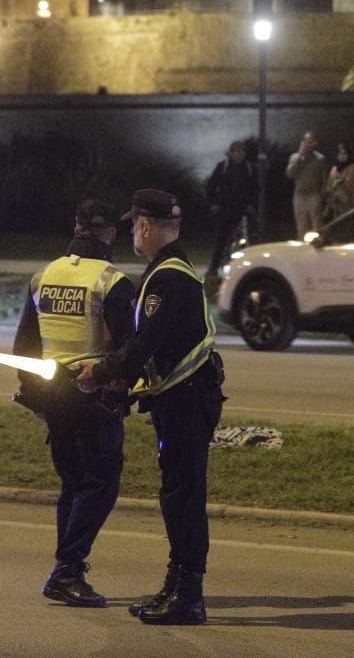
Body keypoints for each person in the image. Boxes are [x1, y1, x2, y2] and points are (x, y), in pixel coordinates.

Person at [78, 189, 225, 627]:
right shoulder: (168, 270)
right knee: (176, 495)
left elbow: (146, 343)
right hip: (181, 398)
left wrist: (103, 372)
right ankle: (177, 585)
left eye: (133, 226)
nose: (131, 234)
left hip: (187, 401)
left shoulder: (167, 278)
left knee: (183, 497)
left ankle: (189, 595)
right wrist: (124, 376)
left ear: (144, 226)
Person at [11, 199, 137, 608]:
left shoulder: (43, 275)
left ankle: (67, 569)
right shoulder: (112, 281)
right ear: (110, 235)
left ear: (77, 227)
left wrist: (33, 398)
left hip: (53, 392)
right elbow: (127, 348)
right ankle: (67, 569)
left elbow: (25, 346)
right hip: (92, 391)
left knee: (73, 483)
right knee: (101, 483)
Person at [205, 139, 258, 264]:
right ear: (231, 153)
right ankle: (214, 267)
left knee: (247, 239)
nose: (239, 154)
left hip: (243, 209)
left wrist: (251, 204)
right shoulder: (223, 167)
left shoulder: (250, 168)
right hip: (225, 209)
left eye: (242, 152)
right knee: (221, 239)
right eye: (236, 152)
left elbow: (256, 188)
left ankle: (250, 265)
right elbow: (211, 186)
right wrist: (214, 203)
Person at [286, 131, 328, 235]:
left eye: (311, 142)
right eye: (306, 142)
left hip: (314, 195)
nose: (308, 145)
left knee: (317, 228)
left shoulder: (320, 159)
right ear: (302, 142)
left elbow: (324, 180)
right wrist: (300, 157)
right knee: (301, 228)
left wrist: (323, 197)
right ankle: (302, 250)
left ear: (315, 143)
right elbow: (290, 174)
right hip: (299, 196)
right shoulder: (294, 157)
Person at [323, 142, 354, 222]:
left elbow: (350, 184)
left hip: (350, 202)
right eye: (340, 154)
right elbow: (328, 186)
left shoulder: (352, 167)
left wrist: (338, 180)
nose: (342, 156)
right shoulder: (334, 168)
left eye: (344, 154)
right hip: (336, 205)